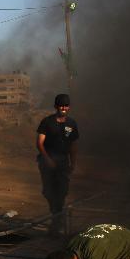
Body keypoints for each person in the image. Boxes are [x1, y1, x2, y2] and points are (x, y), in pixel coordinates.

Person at [36, 93, 78, 235]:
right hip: (46, 163)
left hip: (63, 164)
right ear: (55, 106)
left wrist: (73, 163)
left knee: (61, 191)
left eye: (66, 105)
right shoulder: (47, 122)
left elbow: (72, 146)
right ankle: (56, 218)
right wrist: (48, 160)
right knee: (48, 192)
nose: (63, 107)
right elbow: (40, 143)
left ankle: (56, 221)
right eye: (61, 105)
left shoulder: (71, 124)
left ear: (69, 107)